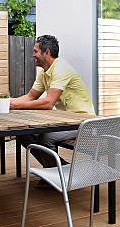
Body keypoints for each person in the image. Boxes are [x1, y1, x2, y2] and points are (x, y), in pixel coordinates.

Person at [11, 35, 95, 169]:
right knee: (23, 135)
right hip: (64, 120)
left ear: (47, 52)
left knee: (46, 138)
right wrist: (8, 102)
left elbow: (48, 103)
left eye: (35, 51)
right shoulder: (43, 72)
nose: (33, 55)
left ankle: (57, 174)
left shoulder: (61, 67)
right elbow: (30, 97)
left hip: (82, 121)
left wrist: (15, 105)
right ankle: (60, 170)